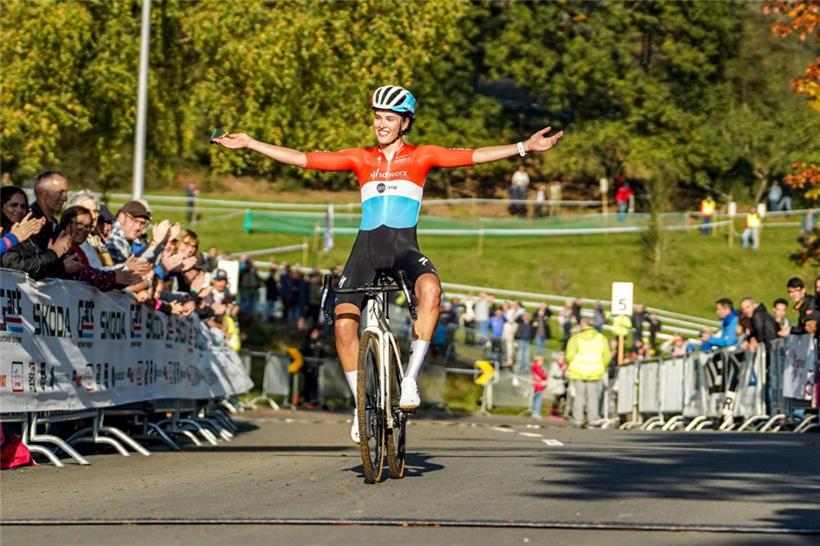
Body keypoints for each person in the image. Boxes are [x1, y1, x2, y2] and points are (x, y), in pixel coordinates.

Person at [215, 85, 564, 442]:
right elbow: (304, 158)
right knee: (343, 322)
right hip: (365, 251)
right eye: (378, 118)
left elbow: (473, 155)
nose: (381, 125)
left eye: (389, 119)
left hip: (403, 250)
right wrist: (251, 143)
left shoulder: (422, 156)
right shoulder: (360, 158)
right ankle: (359, 405)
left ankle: (410, 379)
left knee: (431, 289)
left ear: (405, 123)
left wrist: (524, 146)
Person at [566, 317, 611, 427]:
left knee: (579, 397)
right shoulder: (601, 338)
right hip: (595, 372)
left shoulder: (575, 338)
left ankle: (578, 420)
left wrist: (571, 365)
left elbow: (569, 355)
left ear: (583, 325)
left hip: (578, 371)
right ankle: (592, 420)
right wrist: (602, 366)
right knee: (593, 397)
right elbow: (607, 356)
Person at [1, 186, 46, 256]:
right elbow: (16, 264)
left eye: (23, 206)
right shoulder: (2, 232)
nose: (19, 210)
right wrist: (53, 253)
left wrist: (33, 234)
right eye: (13, 205)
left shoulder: (25, 231)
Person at [29, 170, 69, 250]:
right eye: (60, 192)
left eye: (66, 192)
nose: (65, 198)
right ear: (43, 192)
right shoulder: (31, 223)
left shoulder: (53, 223)